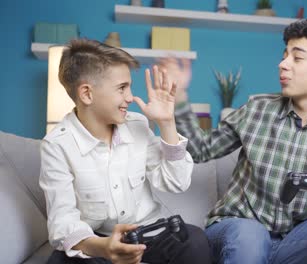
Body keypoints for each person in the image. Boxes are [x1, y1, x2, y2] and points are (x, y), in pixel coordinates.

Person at [162, 18, 307, 263]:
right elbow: (200, 150)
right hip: (238, 231)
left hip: (300, 242)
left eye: (297, 58)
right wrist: (180, 98)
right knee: (251, 235)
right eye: (284, 55)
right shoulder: (256, 109)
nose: (283, 64)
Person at [39, 39, 211, 264]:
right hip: (98, 242)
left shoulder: (137, 124)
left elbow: (176, 182)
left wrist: (167, 123)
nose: (130, 97)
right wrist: (104, 248)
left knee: (194, 240)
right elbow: (63, 222)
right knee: (59, 261)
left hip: (150, 234)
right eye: (122, 88)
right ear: (87, 94)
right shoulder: (56, 146)